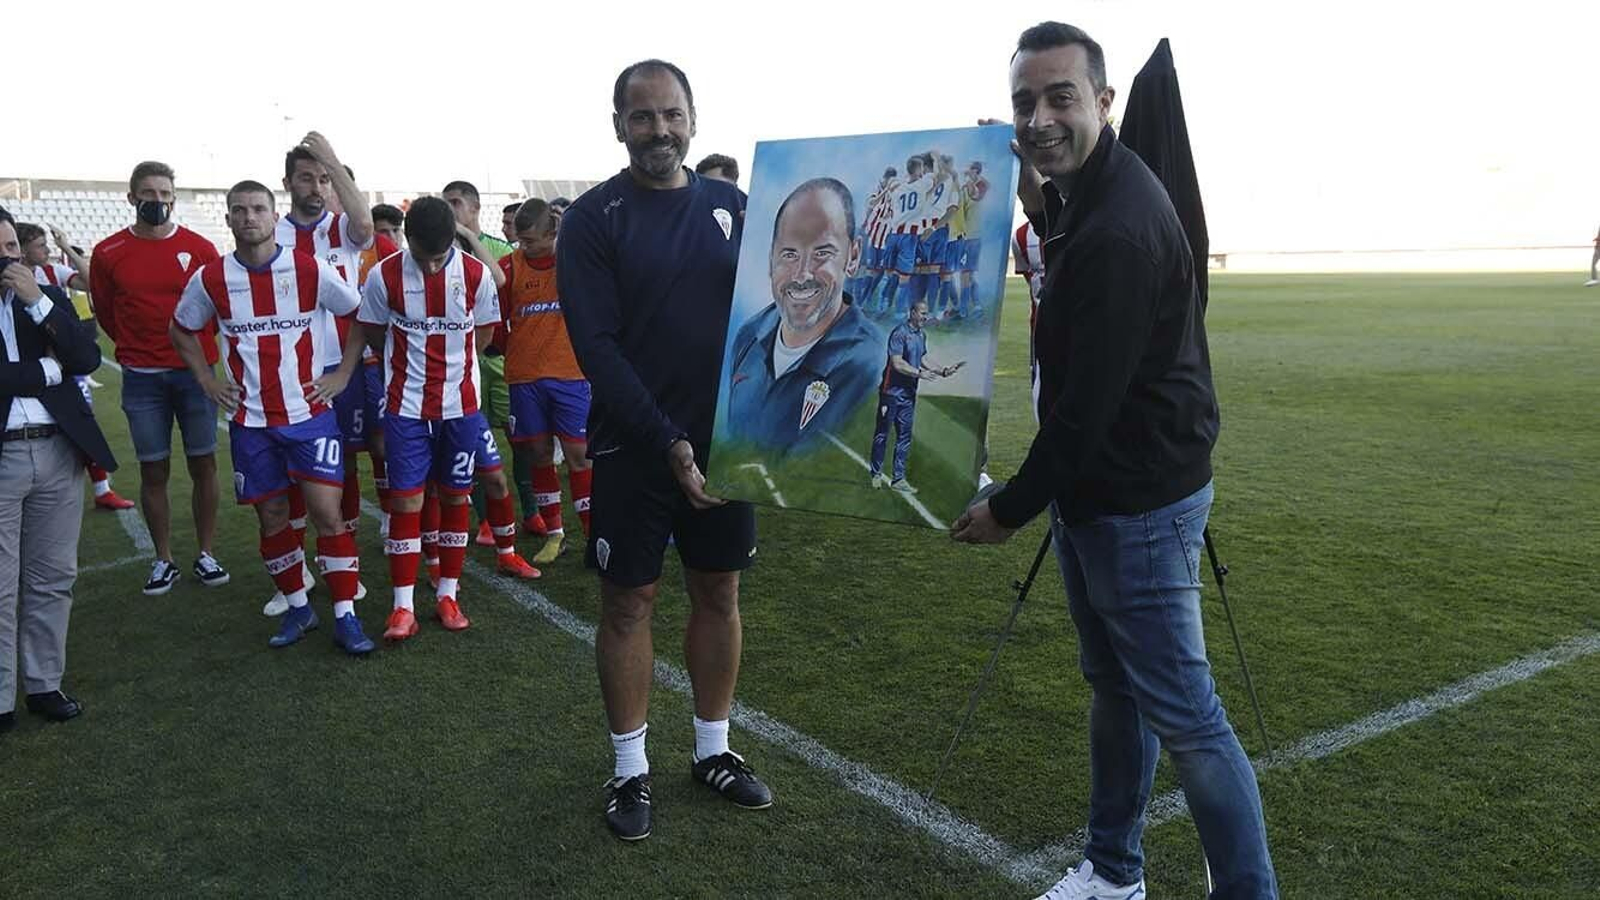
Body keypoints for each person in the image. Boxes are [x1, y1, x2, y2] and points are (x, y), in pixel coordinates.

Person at [953, 22, 1277, 900]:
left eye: (1061, 97)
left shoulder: (1116, 230)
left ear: (1103, 101)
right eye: (1026, 101)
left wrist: (1008, 509)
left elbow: (1082, 417)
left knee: (1188, 718)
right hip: (1110, 495)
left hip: (1135, 500)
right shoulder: (1087, 196)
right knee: (1116, 686)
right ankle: (1112, 871)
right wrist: (1032, 200)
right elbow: (1063, 242)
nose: (1040, 116)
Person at [558, 58, 772, 842]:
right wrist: (667, 439)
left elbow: (780, 308)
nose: (658, 130)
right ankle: (629, 770)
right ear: (618, 125)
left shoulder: (736, 207)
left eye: (670, 114)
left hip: (726, 449)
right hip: (634, 447)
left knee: (720, 594)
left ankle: (713, 751)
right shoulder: (592, 220)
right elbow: (598, 348)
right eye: (641, 117)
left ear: (694, 119)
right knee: (628, 603)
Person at [169, 181, 375, 654]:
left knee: (327, 514)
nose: (249, 217)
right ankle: (300, 609)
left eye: (258, 208)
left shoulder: (307, 267)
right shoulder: (211, 278)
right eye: (238, 210)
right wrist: (205, 379)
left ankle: (346, 615)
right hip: (251, 421)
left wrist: (342, 374)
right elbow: (181, 329)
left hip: (310, 414)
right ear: (227, 220)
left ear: (271, 214)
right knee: (273, 517)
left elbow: (360, 316)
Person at [356, 197, 538, 646]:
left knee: (457, 499)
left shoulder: (475, 275)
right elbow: (376, 334)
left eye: (441, 257)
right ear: (408, 241)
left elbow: (484, 336)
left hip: (460, 408)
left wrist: (451, 372)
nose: (434, 267)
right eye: (424, 257)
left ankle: (448, 596)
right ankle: (402, 607)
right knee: (406, 504)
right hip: (406, 410)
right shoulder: (384, 275)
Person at [91, 161, 231, 595]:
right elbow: (108, 313)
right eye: (148, 194)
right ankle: (163, 558)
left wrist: (197, 359)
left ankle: (206, 554)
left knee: (204, 463)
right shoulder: (108, 252)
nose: (157, 201)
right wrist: (138, 350)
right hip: (142, 378)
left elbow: (216, 309)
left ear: (173, 196)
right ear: (132, 198)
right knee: (154, 470)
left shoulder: (201, 247)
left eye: (164, 194)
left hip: (195, 375)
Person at [0, 216, 114, 732]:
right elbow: (55, 368)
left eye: (10, 247)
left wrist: (38, 302)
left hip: (56, 451)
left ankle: (44, 683)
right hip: (4, 455)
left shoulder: (44, 297)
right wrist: (45, 371)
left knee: (52, 577)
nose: (8, 258)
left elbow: (86, 356)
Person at [724, 178, 884, 450]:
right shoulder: (749, 336)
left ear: (853, 256)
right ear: (770, 259)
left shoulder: (872, 361)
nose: (802, 275)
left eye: (822, 253)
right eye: (789, 254)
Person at [500, 199, 593, 565]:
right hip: (525, 377)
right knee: (539, 456)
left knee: (580, 458)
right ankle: (555, 535)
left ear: (554, 234)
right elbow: (496, 319)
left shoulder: (575, 263)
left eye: (531, 240)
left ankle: (593, 536)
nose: (523, 246)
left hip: (570, 375)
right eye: (520, 240)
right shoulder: (510, 267)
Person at [18, 222, 134, 511]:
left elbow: (93, 282)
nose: (47, 250)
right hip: (26, 366)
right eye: (40, 245)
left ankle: (102, 489)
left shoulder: (51, 272)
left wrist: (66, 247)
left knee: (81, 419)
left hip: (62, 365)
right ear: (21, 250)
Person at [440, 180, 512, 547]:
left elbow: (498, 281)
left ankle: (528, 511)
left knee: (519, 440)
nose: (450, 209)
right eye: (445, 203)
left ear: (474, 207)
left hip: (499, 361)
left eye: (455, 202)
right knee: (469, 448)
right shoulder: (438, 250)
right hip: (459, 372)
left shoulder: (497, 248)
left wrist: (468, 237)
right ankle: (484, 521)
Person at [867, 300, 962, 491]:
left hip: (908, 395)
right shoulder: (899, 334)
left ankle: (898, 479)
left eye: (927, 314)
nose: (925, 318)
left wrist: (942, 370)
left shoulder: (921, 335)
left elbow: (924, 358)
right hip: (891, 394)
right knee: (882, 435)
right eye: (922, 313)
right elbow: (897, 363)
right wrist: (919, 373)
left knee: (904, 436)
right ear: (911, 313)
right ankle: (876, 474)